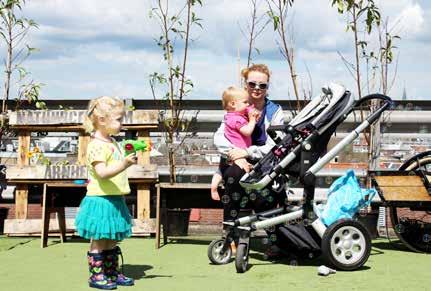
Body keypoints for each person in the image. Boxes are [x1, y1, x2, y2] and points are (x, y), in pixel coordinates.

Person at [213, 64, 286, 257]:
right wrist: (234, 154)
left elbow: (275, 145)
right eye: (252, 83)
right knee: (234, 176)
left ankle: (274, 239)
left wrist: (247, 153)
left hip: (264, 161)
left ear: (267, 88)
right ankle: (230, 237)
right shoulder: (235, 107)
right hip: (237, 162)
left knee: (267, 187)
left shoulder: (275, 111)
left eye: (262, 85)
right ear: (246, 84)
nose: (257, 88)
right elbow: (219, 137)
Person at [75, 96, 136, 290]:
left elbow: (114, 166)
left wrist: (125, 157)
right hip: (100, 200)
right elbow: (102, 173)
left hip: (114, 198)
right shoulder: (96, 145)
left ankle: (111, 272)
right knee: (99, 239)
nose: (121, 123)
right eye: (118, 119)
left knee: (111, 238)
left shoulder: (112, 142)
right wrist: (124, 163)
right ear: (102, 120)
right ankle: (97, 275)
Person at [210, 86, 260, 200]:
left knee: (220, 171)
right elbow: (247, 132)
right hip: (237, 154)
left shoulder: (229, 117)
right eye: (245, 102)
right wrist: (252, 121)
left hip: (227, 155)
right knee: (245, 170)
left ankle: (213, 186)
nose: (248, 104)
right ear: (233, 104)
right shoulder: (238, 119)